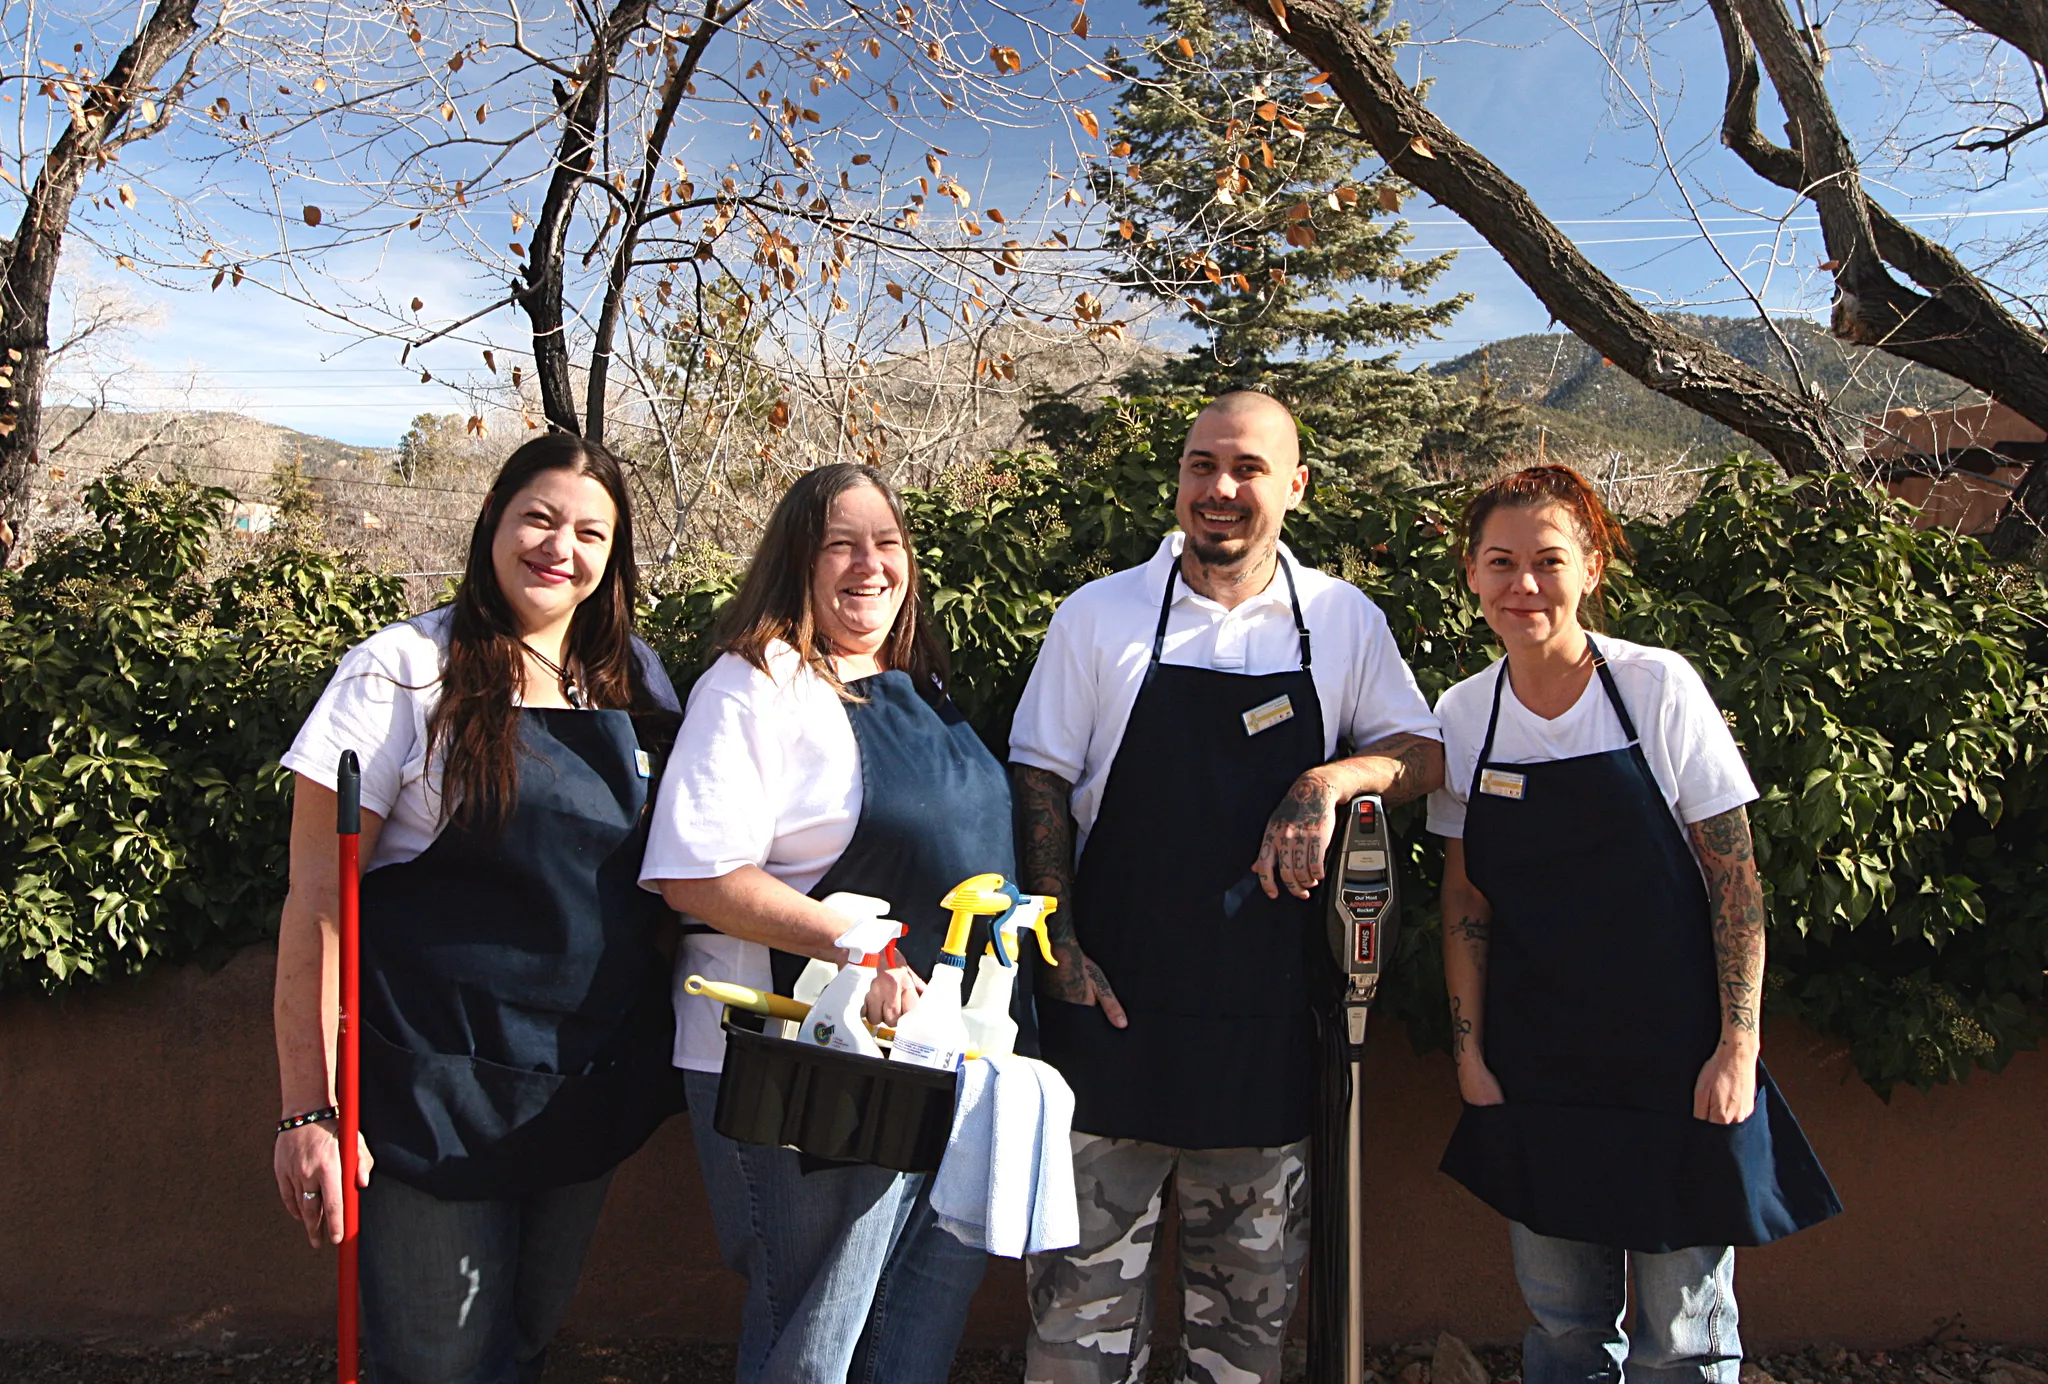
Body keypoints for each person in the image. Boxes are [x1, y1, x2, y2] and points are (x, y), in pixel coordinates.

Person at [1009, 391, 1444, 1384]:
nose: (1219, 488)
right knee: (1075, 1341)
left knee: (1243, 1347)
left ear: (1292, 487)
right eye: (1202, 465)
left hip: (1263, 1046)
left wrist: (1326, 779)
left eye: (1246, 468)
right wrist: (1058, 947)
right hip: (1107, 1036)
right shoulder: (1099, 614)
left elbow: (1420, 751)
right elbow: (1037, 776)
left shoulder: (1340, 619)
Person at [271, 434, 685, 1384]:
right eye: (539, 516)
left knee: (526, 1340)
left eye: (590, 531)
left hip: (583, 1084)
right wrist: (307, 1113)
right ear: (494, 517)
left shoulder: (639, 681)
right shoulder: (401, 670)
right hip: (428, 1092)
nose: (559, 546)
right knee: (440, 1363)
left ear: (612, 556)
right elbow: (316, 905)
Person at [1431, 464, 1841, 1384]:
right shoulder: (1462, 714)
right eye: (1500, 562)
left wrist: (1738, 1046)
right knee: (1565, 1330)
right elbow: (1465, 898)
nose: (1523, 585)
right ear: (1470, 574)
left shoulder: (1657, 686)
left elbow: (1735, 881)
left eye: (1548, 560)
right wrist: (1471, 1051)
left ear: (1591, 570)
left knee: (1681, 1342)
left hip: (1676, 1062)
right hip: (1538, 1064)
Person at [642, 463, 1021, 1384]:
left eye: (887, 543)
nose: (870, 565)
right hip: (805, 1059)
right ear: (797, 562)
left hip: (944, 1053)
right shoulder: (755, 684)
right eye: (841, 544)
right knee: (818, 1329)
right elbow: (694, 873)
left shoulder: (918, 685)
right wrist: (861, 944)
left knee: (916, 1316)